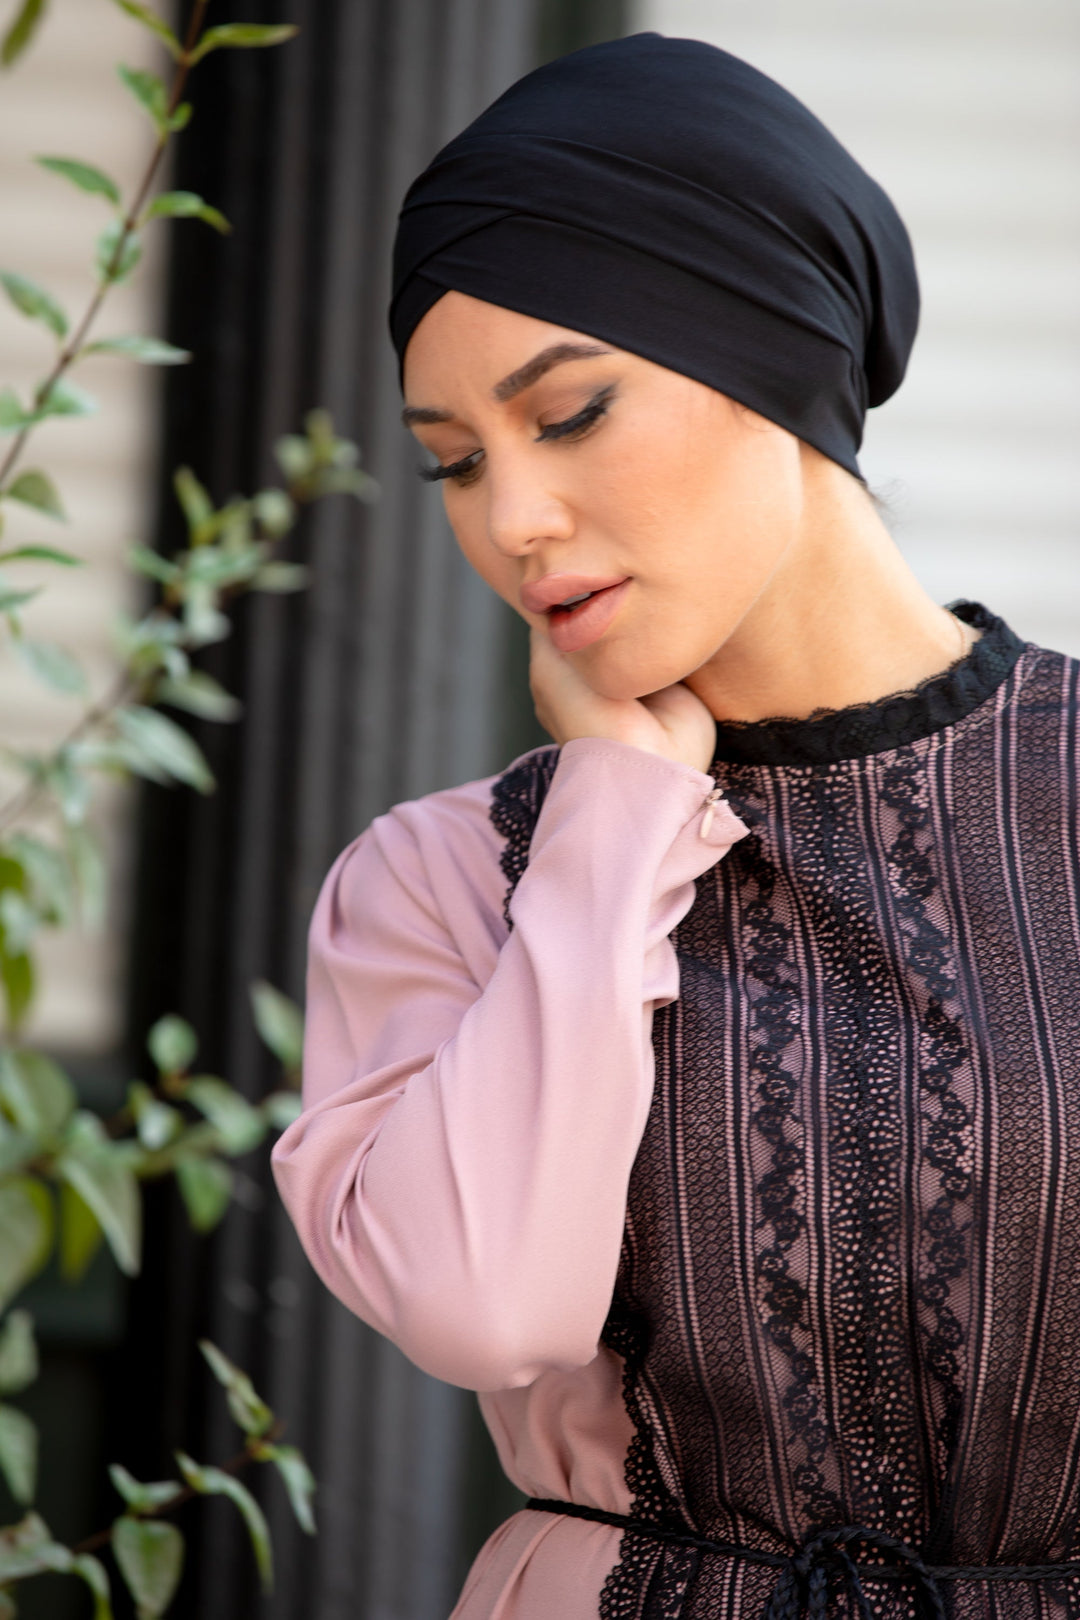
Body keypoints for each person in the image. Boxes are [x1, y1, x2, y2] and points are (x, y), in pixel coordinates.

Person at [272, 34, 1080, 1620]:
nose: (511, 522)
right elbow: (487, 1303)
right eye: (454, 463)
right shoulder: (439, 881)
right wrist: (610, 827)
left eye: (566, 415)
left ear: (774, 355)